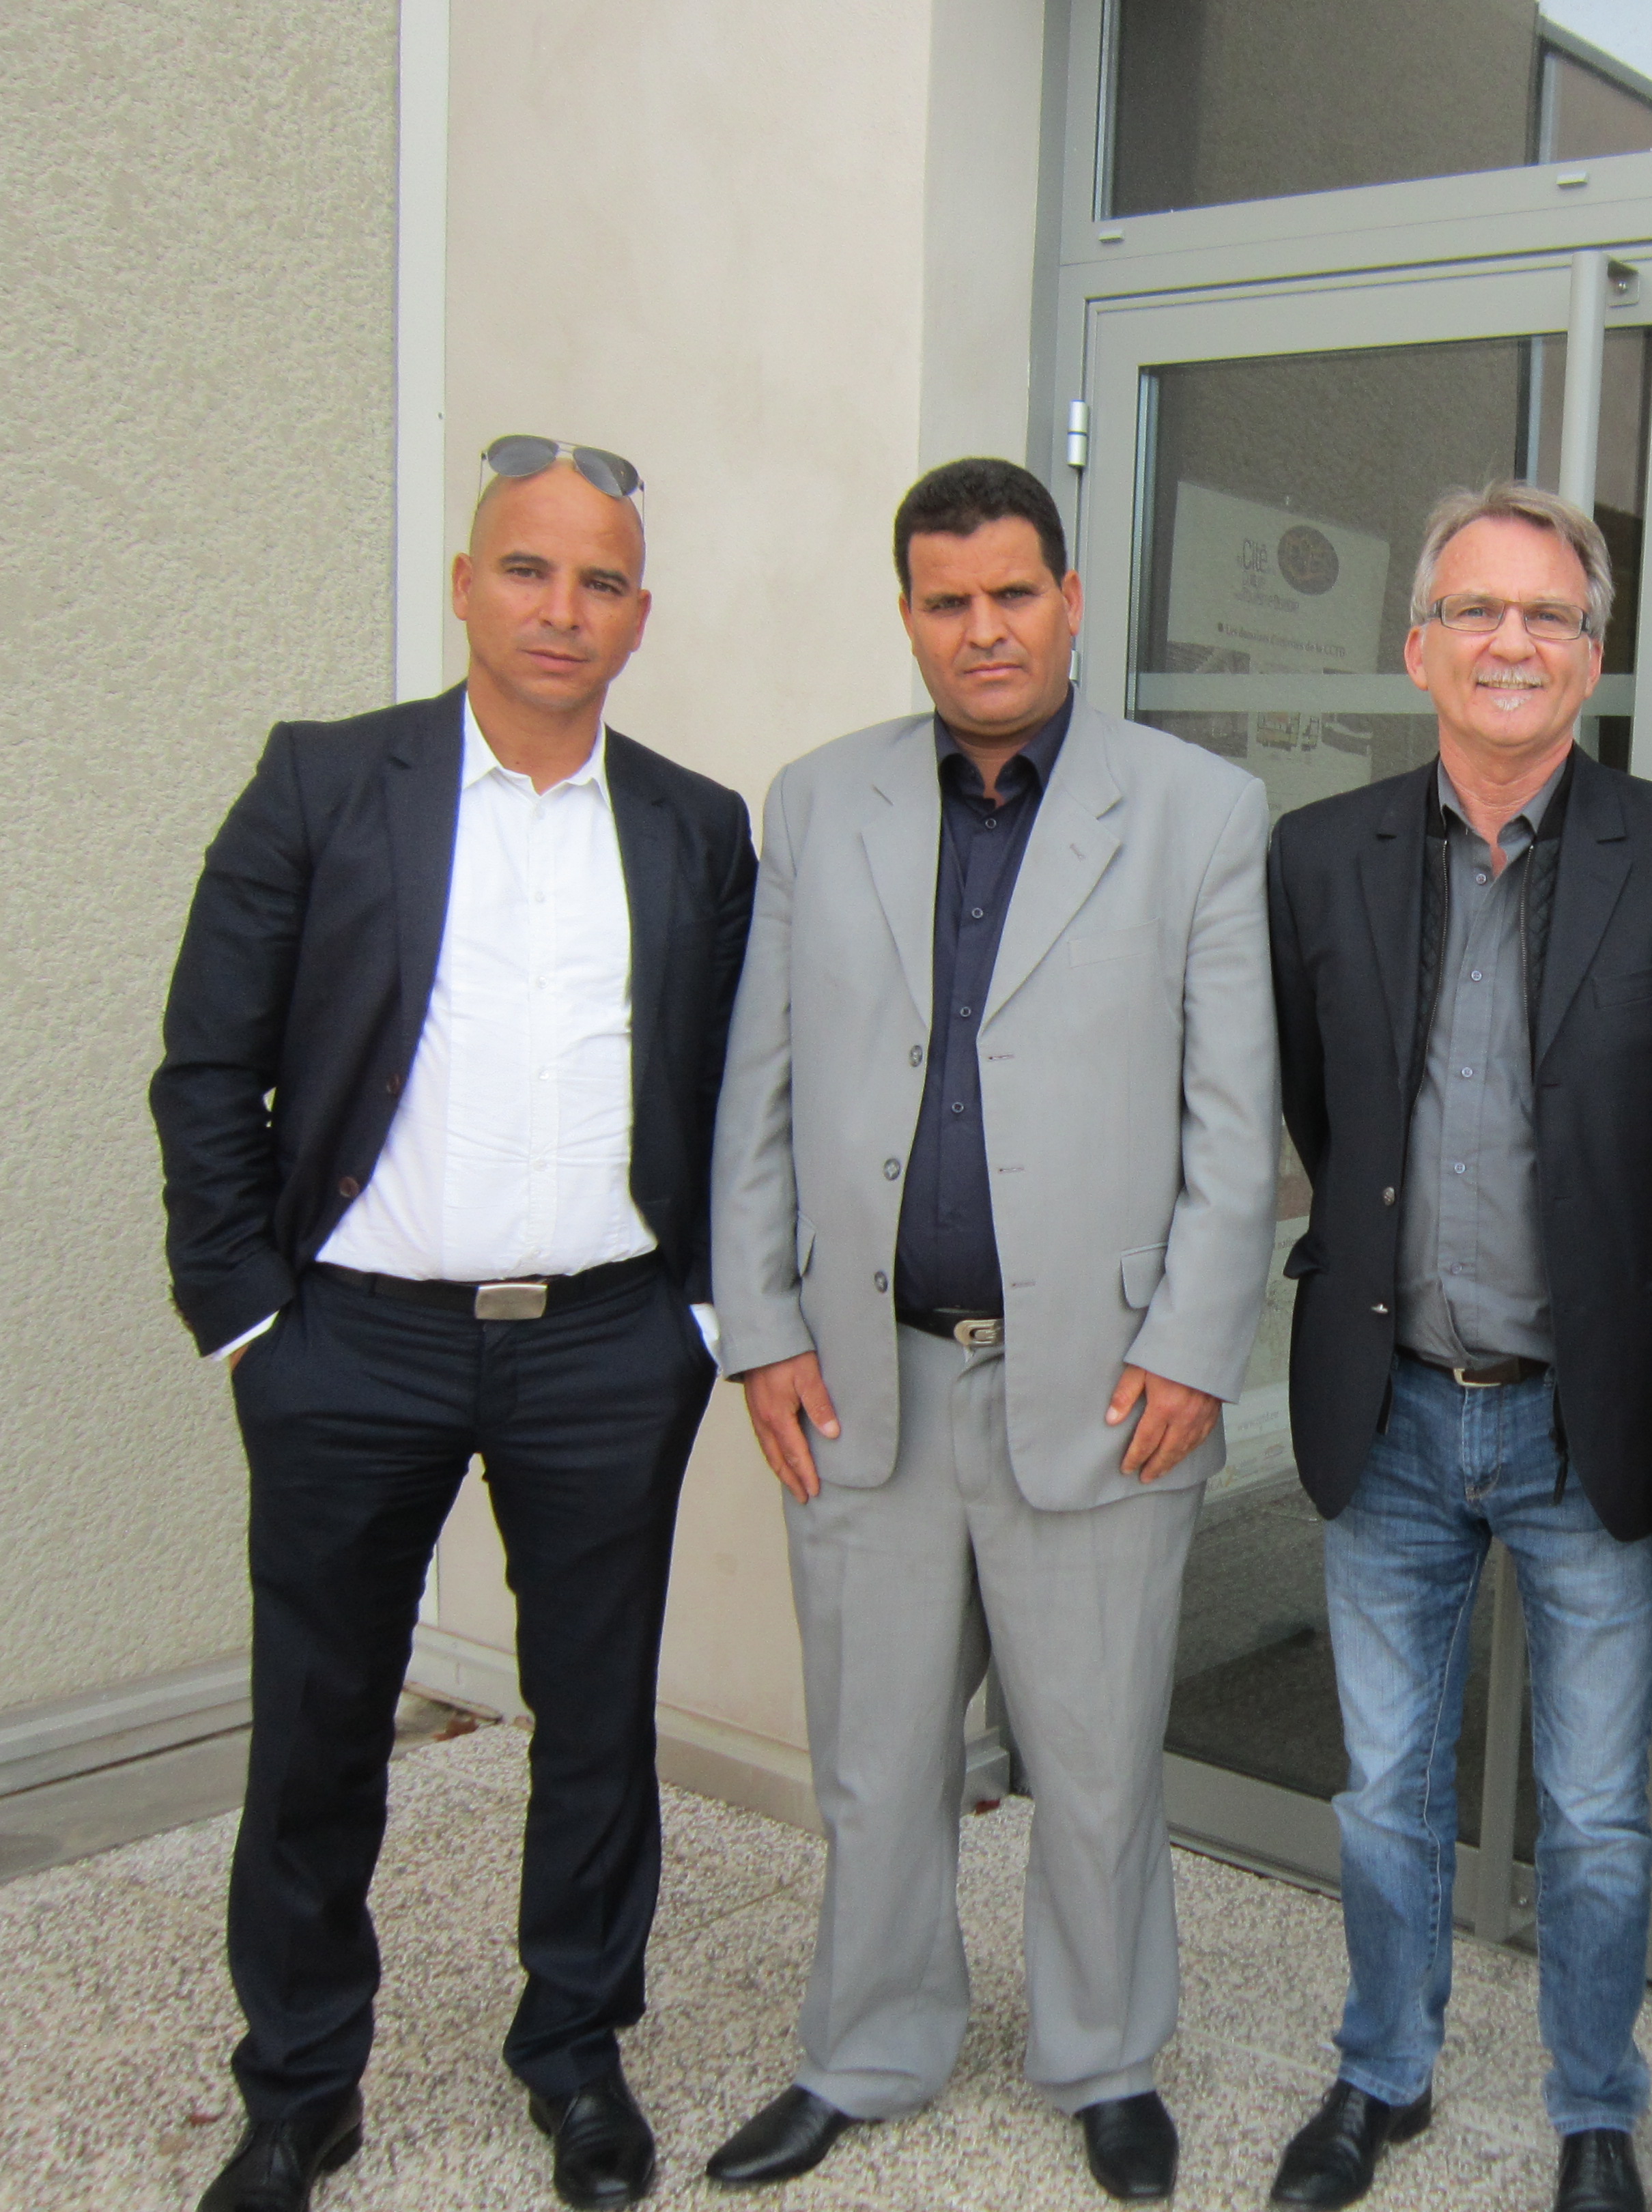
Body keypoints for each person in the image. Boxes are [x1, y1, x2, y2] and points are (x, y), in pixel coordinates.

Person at [152, 436, 757, 2212]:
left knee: (598, 1725)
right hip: (353, 1345)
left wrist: (702, 1313)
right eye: (528, 569)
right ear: (466, 584)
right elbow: (209, 1067)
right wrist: (248, 1321)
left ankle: (574, 2054)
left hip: (606, 1347)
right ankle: (299, 2086)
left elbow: (737, 1087)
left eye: (599, 581)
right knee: (320, 1723)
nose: (562, 608)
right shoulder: (327, 782)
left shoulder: (695, 824)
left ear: (639, 616)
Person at [703, 457, 1277, 2202]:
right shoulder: (820, 802)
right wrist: (762, 1330)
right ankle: (865, 2050)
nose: (984, 631)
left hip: (1098, 1388)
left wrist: (1191, 1350)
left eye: (1013, 594)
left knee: (1094, 1770)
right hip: (860, 1379)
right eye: (947, 603)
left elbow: (1234, 1122)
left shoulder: (1198, 811)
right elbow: (759, 1088)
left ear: (1070, 601)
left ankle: (1105, 2060)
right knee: (876, 1765)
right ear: (908, 618)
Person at [1264, 483, 1652, 2212]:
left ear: (1593, 658)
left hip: (1587, 1418)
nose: (1510, 642)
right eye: (1476, 609)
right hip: (1389, 1407)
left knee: (1599, 1813)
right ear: (1418, 647)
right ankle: (1381, 2072)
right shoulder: (1319, 855)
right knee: (1382, 1790)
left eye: (1549, 616)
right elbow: (1325, 1109)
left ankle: (1596, 2106)